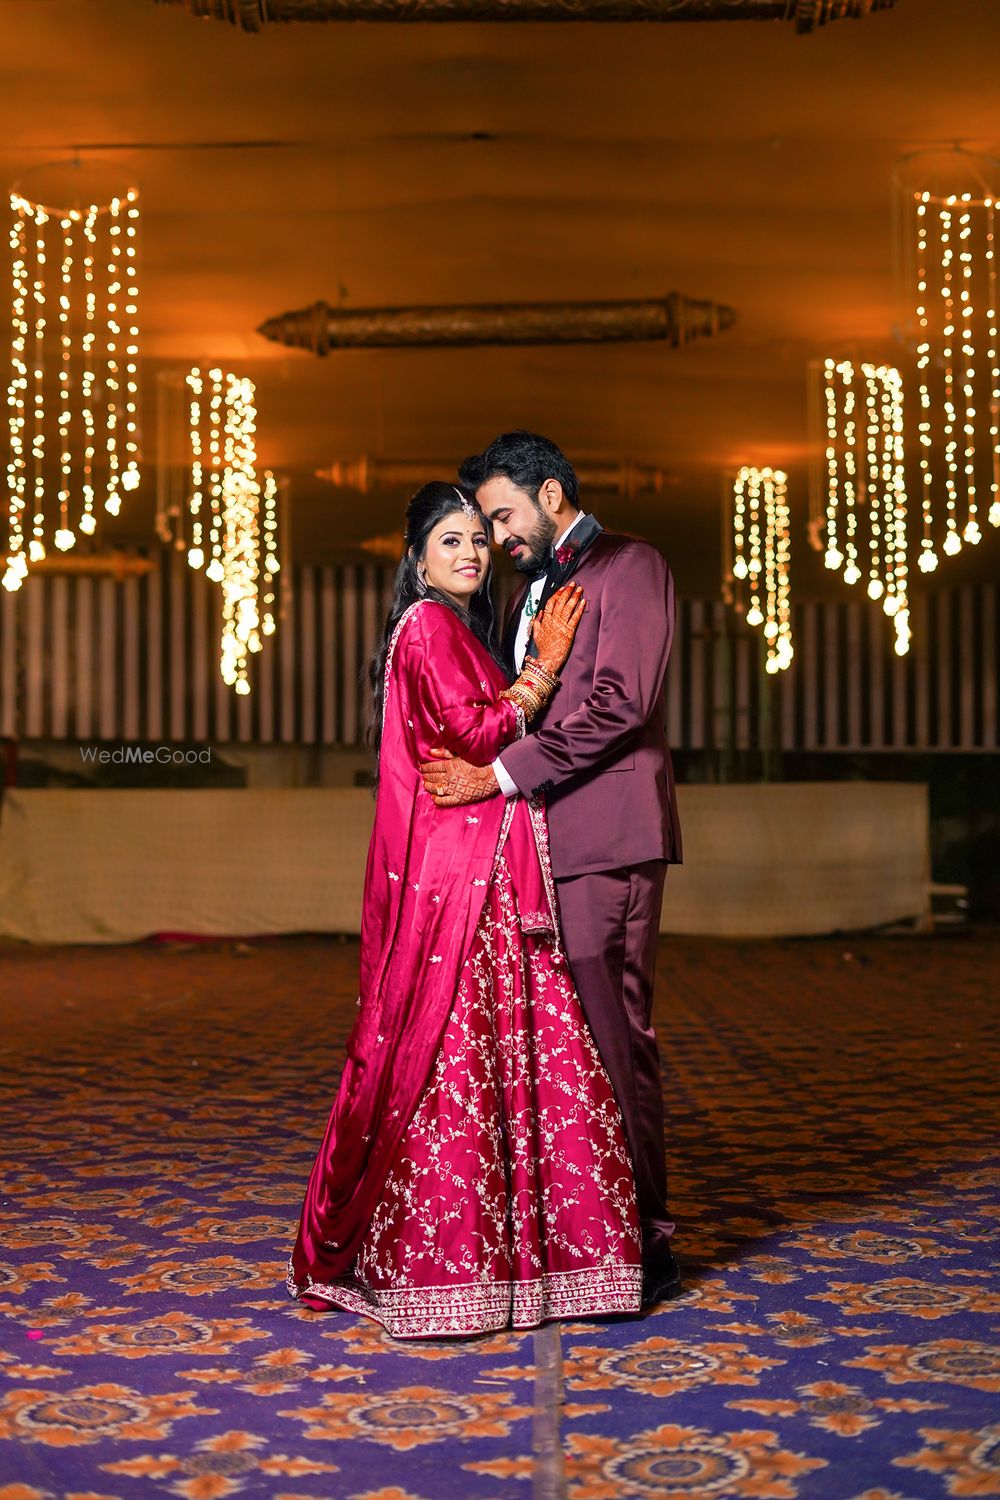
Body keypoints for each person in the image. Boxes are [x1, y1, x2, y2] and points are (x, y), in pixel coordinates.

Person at [287, 480, 643, 1339]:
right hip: (462, 876)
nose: (471, 554)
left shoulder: (454, 628)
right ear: (416, 558)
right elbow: (474, 733)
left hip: (480, 868)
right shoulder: (428, 625)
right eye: (451, 541)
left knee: (501, 1050)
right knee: (462, 1056)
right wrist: (543, 671)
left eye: (479, 539)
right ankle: (452, 1265)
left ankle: (529, 1266)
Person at [420, 432, 684, 1306]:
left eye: (502, 515)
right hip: (536, 846)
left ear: (554, 493)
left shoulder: (630, 565)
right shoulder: (522, 592)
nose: (494, 537)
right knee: (561, 1053)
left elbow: (620, 704)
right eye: (482, 524)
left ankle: (646, 1239)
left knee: (614, 1041)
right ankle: (583, 1237)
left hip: (606, 838)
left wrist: (498, 775)